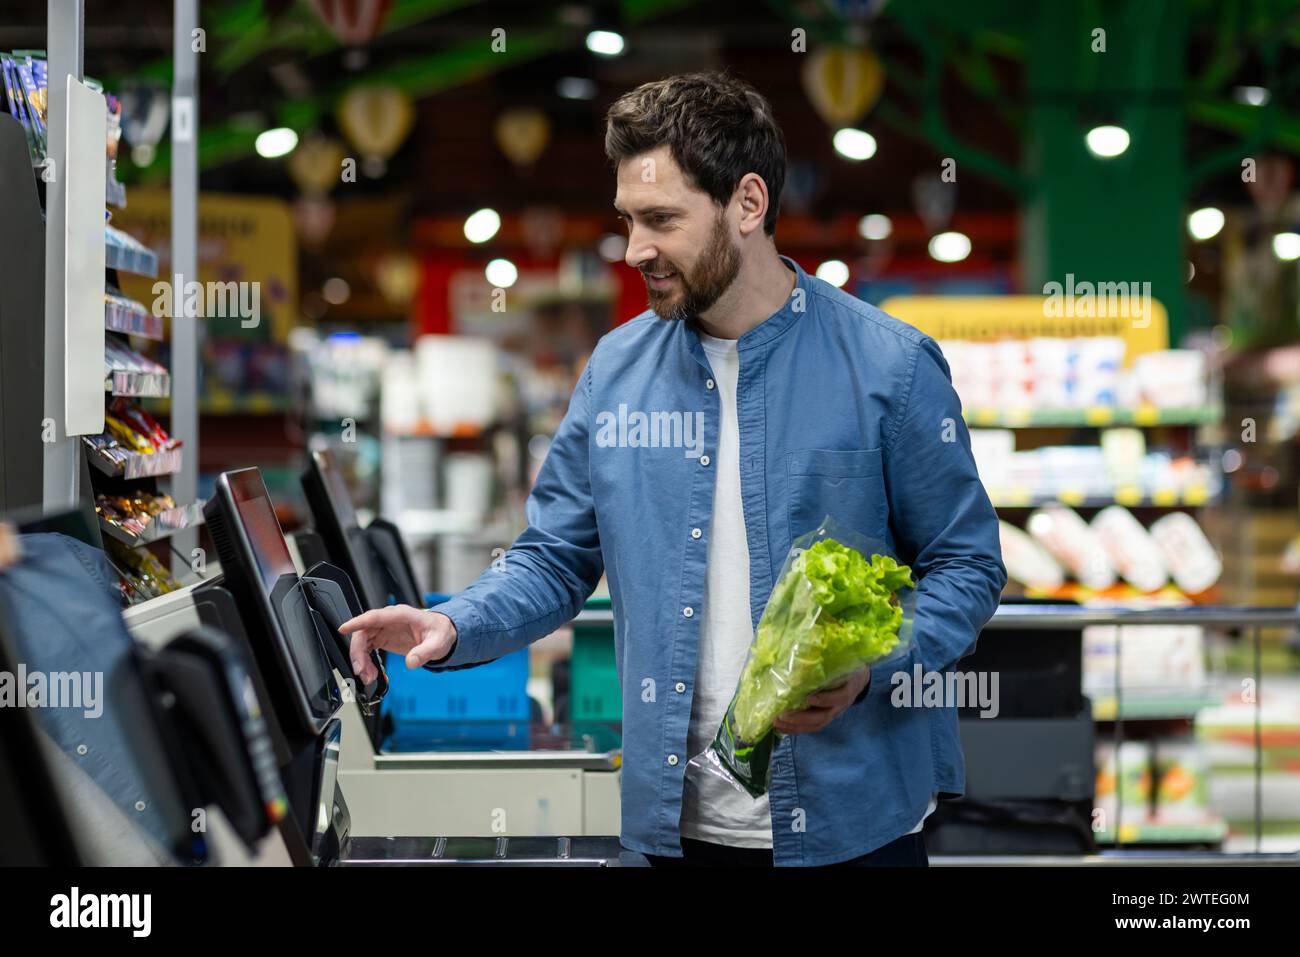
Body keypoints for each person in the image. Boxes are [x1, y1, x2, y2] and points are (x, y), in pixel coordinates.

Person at [340, 71, 1006, 867]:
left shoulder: (890, 367)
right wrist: (455, 623)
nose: (634, 250)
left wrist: (876, 665)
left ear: (748, 205)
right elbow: (555, 557)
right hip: (674, 829)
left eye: (661, 220)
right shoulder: (617, 370)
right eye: (628, 219)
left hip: (853, 824)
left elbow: (966, 564)